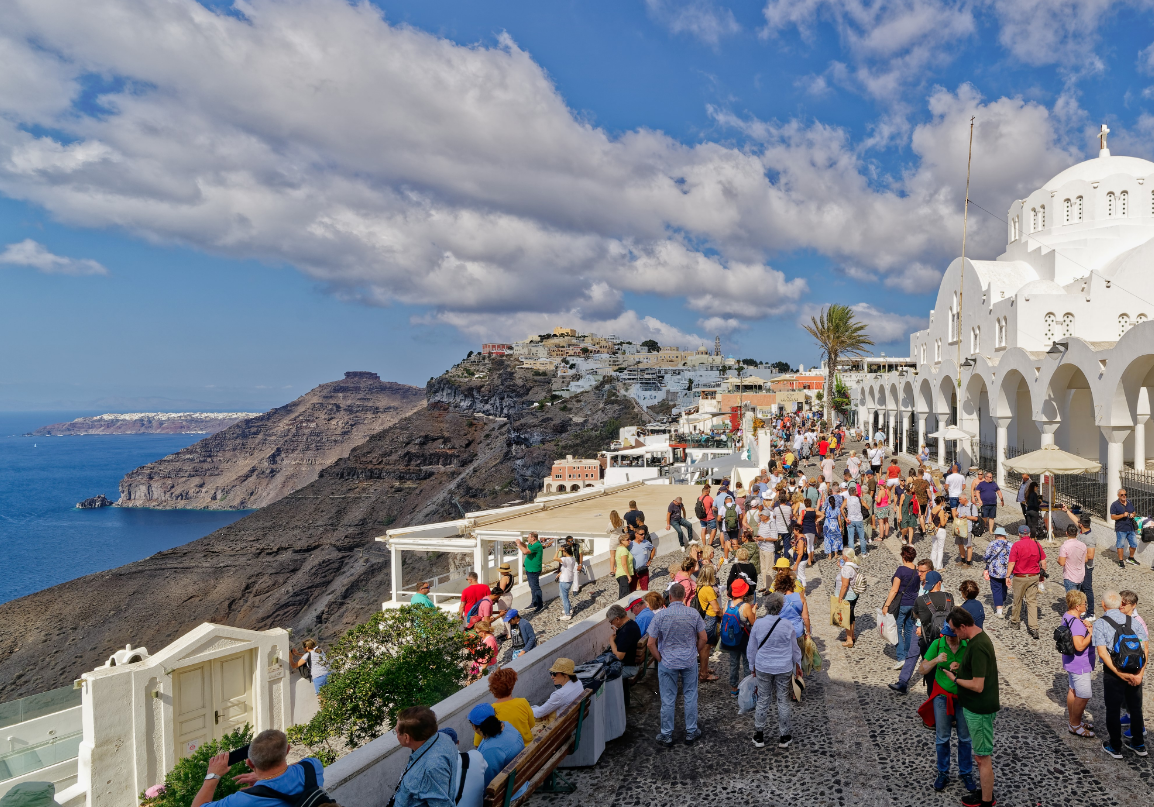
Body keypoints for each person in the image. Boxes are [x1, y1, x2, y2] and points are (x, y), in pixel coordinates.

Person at [941, 607, 999, 807]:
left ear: (963, 626)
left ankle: (986, 801)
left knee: (982, 758)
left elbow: (977, 685)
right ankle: (985, 793)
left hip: (979, 709)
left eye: (955, 630)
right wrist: (962, 668)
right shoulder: (976, 639)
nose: (954, 634)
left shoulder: (978, 646)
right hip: (975, 708)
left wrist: (955, 679)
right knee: (980, 755)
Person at [647, 582, 707, 747]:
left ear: (670, 597)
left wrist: (659, 658)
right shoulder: (693, 614)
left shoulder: (660, 616)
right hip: (689, 660)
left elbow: (650, 643)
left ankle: (666, 734)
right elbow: (704, 637)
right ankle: (691, 731)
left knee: (668, 699)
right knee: (690, 695)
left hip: (667, 661)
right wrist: (694, 651)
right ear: (684, 596)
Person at [196, 730, 323, 807]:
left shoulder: (246, 800)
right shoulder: (313, 767)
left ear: (250, 764)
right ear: (287, 750)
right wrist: (268, 777)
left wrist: (212, 775)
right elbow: (300, 764)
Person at [919, 620, 975, 793]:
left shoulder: (967, 645)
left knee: (965, 738)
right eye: (947, 636)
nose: (950, 639)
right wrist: (936, 660)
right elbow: (922, 669)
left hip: (963, 697)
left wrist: (961, 668)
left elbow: (977, 670)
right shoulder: (937, 644)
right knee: (942, 737)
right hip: (942, 697)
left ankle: (966, 773)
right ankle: (943, 772)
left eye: (953, 636)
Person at [1094, 590, 1148, 758]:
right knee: (1135, 708)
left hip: (1113, 671)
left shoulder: (1100, 623)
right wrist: (1139, 674)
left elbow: (1102, 653)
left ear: (1103, 604)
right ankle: (1139, 744)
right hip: (1135, 669)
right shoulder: (1134, 622)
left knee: (1113, 709)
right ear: (1119, 604)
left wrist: (1119, 673)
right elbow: (1145, 650)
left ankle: (1115, 746)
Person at [747, 592, 803, 749]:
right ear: (781, 607)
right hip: (783, 666)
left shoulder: (758, 624)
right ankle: (784, 736)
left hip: (763, 666)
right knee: (783, 700)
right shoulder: (787, 625)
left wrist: (752, 666)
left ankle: (759, 735)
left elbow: (751, 648)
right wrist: (798, 665)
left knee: (763, 699)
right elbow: (794, 648)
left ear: (766, 606)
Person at [389, 708, 460, 807]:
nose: (396, 734)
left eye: (396, 731)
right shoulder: (444, 738)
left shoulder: (431, 768)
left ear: (406, 737)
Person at [1059, 589, 1096, 739]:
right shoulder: (1077, 624)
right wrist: (1091, 633)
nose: (1086, 605)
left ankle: (1074, 720)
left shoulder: (1067, 616)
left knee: (1073, 690)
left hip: (1070, 661)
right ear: (1077, 606)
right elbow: (1080, 646)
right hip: (1080, 664)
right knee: (1084, 695)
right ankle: (1075, 725)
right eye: (1084, 603)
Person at [883, 545, 921, 672]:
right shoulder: (917, 570)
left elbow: (894, 590)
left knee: (897, 630)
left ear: (903, 557)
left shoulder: (901, 570)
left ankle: (901, 657)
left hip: (902, 604)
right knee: (909, 630)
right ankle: (908, 655)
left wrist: (886, 605)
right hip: (914, 603)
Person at [468, 703, 524, 786]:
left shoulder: (491, 750)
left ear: (474, 727)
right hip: (521, 777)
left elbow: (487, 783)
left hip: (510, 789)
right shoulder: (506, 725)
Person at [1007, 524, 1047, 639]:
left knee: (1017, 600)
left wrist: (1007, 576)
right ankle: (1034, 628)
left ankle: (1015, 622)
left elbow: (1012, 563)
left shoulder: (1016, 545)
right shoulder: (1037, 545)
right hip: (1033, 576)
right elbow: (1043, 562)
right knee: (1032, 601)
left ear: (1019, 534)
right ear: (1029, 534)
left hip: (1019, 577)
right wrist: (1042, 576)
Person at [477, 668, 534, 745]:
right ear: (512, 686)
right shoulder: (523, 702)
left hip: (507, 752)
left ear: (492, 689)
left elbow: (477, 743)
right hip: (528, 747)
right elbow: (531, 725)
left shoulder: (487, 712)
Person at [719, 578, 756, 694]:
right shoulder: (746, 606)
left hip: (732, 637)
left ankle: (734, 688)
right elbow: (753, 622)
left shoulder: (727, 604)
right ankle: (747, 689)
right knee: (746, 663)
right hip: (744, 639)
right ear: (744, 592)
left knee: (734, 663)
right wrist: (754, 611)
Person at [607, 603, 643, 706]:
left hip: (628, 667)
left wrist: (612, 641)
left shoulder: (627, 631)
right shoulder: (631, 624)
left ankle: (613, 705)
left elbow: (619, 656)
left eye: (611, 621)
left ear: (617, 619)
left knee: (601, 678)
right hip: (631, 663)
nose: (611, 624)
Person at [694, 563, 724, 682]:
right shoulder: (708, 589)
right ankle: (703, 673)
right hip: (710, 619)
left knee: (705, 647)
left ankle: (704, 669)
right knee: (706, 648)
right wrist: (723, 615)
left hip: (703, 617)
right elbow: (716, 609)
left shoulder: (699, 587)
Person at [983, 526, 1011, 618]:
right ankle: (1002, 600)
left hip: (994, 570)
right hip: (1007, 571)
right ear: (1004, 535)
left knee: (996, 589)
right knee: (1004, 587)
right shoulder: (1010, 545)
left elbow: (986, 556)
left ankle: (999, 611)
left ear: (996, 535)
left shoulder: (992, 544)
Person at [514, 532, 546, 612]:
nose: (527, 539)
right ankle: (534, 602)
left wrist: (518, 544)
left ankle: (540, 604)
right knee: (532, 587)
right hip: (529, 569)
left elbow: (525, 551)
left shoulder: (537, 545)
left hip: (533, 570)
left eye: (528, 537)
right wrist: (521, 543)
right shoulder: (532, 545)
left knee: (535, 587)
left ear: (533, 538)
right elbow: (526, 546)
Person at [836, 548, 861, 647]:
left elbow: (845, 585)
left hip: (847, 596)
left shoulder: (847, 568)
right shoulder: (854, 565)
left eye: (842, 554)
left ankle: (849, 640)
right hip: (854, 594)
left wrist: (840, 597)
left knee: (846, 618)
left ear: (845, 557)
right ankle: (852, 635)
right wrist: (841, 568)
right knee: (851, 615)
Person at [1110, 488, 1140, 567]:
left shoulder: (1129, 502)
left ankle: (1131, 558)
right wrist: (1123, 515)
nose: (1124, 496)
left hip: (1131, 527)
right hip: (1121, 528)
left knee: (1134, 544)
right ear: (1118, 495)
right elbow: (1112, 517)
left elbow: (1134, 512)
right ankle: (1120, 561)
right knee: (1120, 545)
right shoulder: (1114, 505)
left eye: (1125, 494)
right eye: (1122, 495)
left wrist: (1133, 514)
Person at [1077, 515, 1097, 616]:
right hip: (1080, 566)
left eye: (1078, 522)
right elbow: (1075, 519)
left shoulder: (1089, 538)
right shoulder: (1082, 532)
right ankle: (1082, 608)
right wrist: (1066, 511)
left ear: (1081, 524)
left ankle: (1091, 612)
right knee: (1081, 588)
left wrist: (1076, 557)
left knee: (1087, 589)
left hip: (1086, 567)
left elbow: (1090, 556)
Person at [842, 483, 867, 558]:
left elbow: (841, 508)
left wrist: (845, 518)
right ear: (854, 492)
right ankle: (863, 553)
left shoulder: (847, 500)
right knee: (862, 537)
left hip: (850, 520)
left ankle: (852, 554)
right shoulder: (859, 499)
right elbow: (867, 507)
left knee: (851, 538)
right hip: (859, 519)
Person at [953, 494, 978, 566]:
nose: (959, 501)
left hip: (967, 528)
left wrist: (966, 517)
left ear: (965, 499)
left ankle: (968, 562)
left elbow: (975, 518)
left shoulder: (972, 506)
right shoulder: (960, 505)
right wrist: (956, 514)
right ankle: (963, 560)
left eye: (960, 499)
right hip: (959, 528)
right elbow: (957, 515)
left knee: (968, 545)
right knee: (960, 544)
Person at [630, 527, 655, 592]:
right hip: (633, 571)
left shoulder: (646, 542)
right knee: (632, 590)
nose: (643, 536)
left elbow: (653, 549)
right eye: (641, 534)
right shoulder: (631, 544)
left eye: (644, 534)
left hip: (643, 570)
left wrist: (650, 560)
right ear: (636, 534)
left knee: (645, 590)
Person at [929, 495, 949, 571]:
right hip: (940, 530)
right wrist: (946, 517)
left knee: (934, 548)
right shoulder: (941, 511)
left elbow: (930, 521)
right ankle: (939, 567)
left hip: (934, 530)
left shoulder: (933, 509)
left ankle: (933, 564)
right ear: (941, 502)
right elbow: (943, 523)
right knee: (940, 549)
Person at [557, 544, 577, 620]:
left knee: (564, 597)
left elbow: (554, 558)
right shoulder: (572, 559)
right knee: (563, 595)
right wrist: (560, 573)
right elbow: (566, 568)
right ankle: (569, 608)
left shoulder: (565, 559)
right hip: (569, 579)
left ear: (565, 551)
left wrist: (558, 551)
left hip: (564, 580)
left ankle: (567, 614)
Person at [614, 534, 635, 599]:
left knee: (622, 595)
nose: (629, 541)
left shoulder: (619, 549)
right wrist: (628, 575)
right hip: (623, 574)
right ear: (622, 541)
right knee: (625, 596)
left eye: (629, 539)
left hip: (620, 574)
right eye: (627, 540)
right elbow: (624, 563)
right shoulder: (623, 550)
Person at [898, 480, 918, 546]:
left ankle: (910, 542)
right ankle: (903, 536)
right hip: (905, 512)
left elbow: (917, 503)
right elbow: (900, 505)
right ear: (910, 489)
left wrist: (919, 511)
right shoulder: (903, 495)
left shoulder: (914, 495)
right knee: (905, 528)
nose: (915, 489)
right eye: (913, 488)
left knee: (911, 527)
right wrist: (900, 515)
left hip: (912, 513)